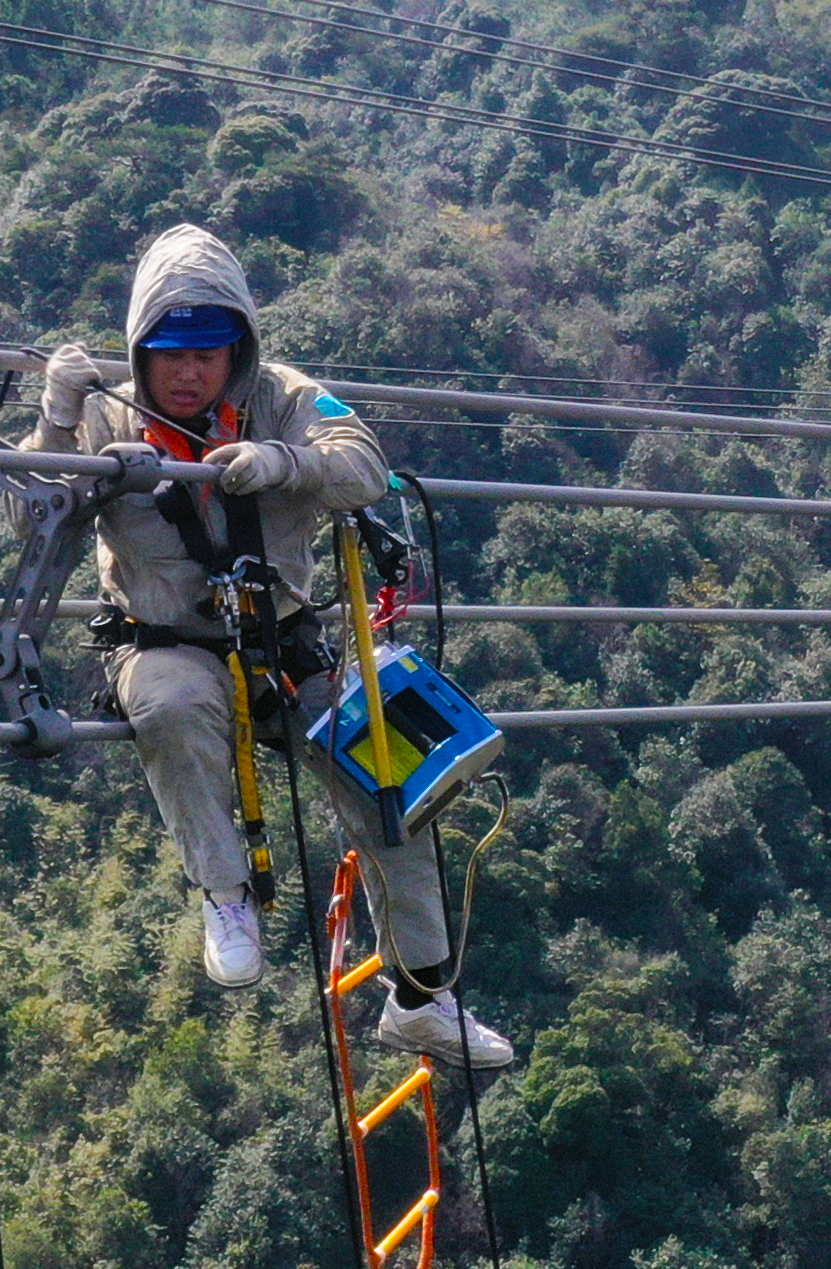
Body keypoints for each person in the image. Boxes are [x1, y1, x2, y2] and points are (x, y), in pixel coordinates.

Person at [26, 224, 509, 1067]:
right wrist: (56, 419)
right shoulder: (103, 409)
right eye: (170, 355)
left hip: (285, 646)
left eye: (208, 354)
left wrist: (285, 463)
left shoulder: (286, 395)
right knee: (173, 709)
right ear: (139, 352)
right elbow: (32, 520)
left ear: (238, 351)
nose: (188, 373)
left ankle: (422, 996)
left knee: (393, 780)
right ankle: (225, 894)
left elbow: (365, 465)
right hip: (164, 640)